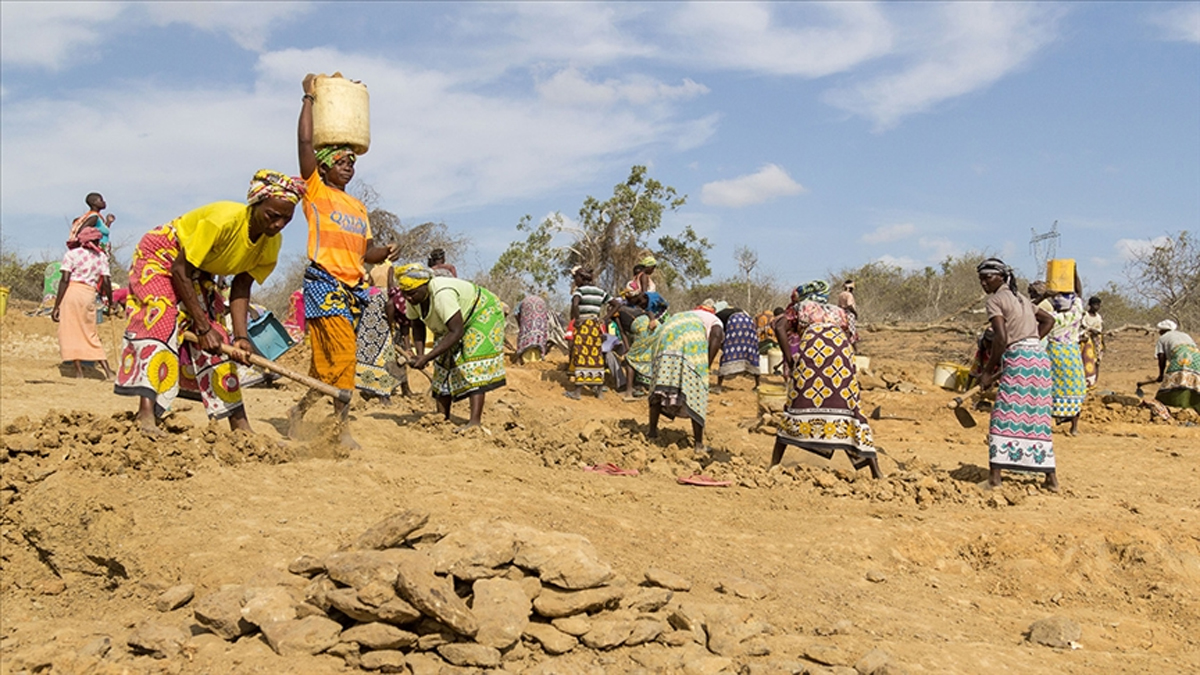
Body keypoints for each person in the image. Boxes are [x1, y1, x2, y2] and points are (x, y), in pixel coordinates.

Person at [114, 170, 304, 435]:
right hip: (163, 254)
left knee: (219, 336)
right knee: (161, 316)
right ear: (256, 203)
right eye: (273, 216)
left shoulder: (271, 244)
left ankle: (239, 424)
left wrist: (241, 338)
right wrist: (201, 327)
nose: (278, 225)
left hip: (198, 270)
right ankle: (146, 412)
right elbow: (179, 270)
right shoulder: (223, 222)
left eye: (286, 219)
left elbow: (241, 288)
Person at [290, 74, 400, 447]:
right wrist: (308, 98)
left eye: (352, 162)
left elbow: (364, 253)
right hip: (325, 284)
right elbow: (305, 143)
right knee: (346, 356)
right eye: (340, 161)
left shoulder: (358, 206)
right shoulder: (316, 192)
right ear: (322, 167)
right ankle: (342, 428)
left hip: (353, 290)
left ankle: (299, 411)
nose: (349, 166)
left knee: (326, 367)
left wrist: (384, 252)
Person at [770, 280, 879, 478]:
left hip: (813, 354)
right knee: (849, 407)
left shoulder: (800, 307)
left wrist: (790, 361)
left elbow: (778, 327)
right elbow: (852, 337)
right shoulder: (838, 311)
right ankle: (876, 472)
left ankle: (773, 465)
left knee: (796, 403)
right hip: (842, 357)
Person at [975, 258, 1058, 491]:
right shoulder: (1021, 299)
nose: (984, 283)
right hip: (1039, 359)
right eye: (981, 279)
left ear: (1001, 277)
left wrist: (987, 372)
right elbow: (1049, 320)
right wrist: (1030, 340)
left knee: (1002, 415)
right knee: (1037, 416)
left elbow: (1000, 339)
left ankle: (995, 479)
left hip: (1019, 359)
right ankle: (1051, 479)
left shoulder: (995, 300)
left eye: (987, 277)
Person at [396, 263, 506, 428]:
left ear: (425, 286)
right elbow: (417, 325)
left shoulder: (442, 294)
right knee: (442, 364)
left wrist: (427, 357)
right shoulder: (413, 299)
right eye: (405, 294)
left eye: (411, 293)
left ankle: (474, 422)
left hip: (481, 313)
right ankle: (442, 418)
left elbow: (456, 331)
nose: (408, 298)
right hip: (454, 324)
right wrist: (421, 355)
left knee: (472, 363)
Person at [52, 227, 114, 379]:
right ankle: (107, 370)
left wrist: (56, 306)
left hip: (72, 293)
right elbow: (106, 281)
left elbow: (64, 280)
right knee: (90, 332)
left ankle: (79, 371)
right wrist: (110, 301)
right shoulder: (101, 257)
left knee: (71, 331)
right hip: (88, 294)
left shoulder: (72, 254)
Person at [647, 312, 710, 451]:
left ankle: (652, 432)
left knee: (659, 388)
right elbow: (714, 339)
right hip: (689, 339)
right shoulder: (714, 324)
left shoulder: (681, 317)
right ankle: (698, 444)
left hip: (665, 339)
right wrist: (705, 368)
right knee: (696, 389)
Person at [1046, 274, 1087, 435]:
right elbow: (1079, 293)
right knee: (1075, 388)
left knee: (1050, 388)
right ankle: (1074, 427)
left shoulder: (1051, 317)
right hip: (1072, 355)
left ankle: (1048, 421)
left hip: (1053, 354)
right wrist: (1074, 273)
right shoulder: (1075, 313)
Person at [356, 265, 402, 403]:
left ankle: (367, 389)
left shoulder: (362, 290)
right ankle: (383, 394)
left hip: (365, 328)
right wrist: (391, 324)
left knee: (366, 356)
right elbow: (390, 300)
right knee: (385, 357)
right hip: (381, 325)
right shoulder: (389, 269)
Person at [565, 268, 610, 400]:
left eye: (576, 278)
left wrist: (577, 319)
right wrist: (605, 318)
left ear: (581, 278)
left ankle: (577, 392)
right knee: (596, 356)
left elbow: (575, 304)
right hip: (595, 327)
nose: (575, 281)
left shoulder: (580, 291)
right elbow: (616, 304)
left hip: (584, 326)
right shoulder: (600, 292)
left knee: (581, 354)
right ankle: (599, 392)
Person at [1153, 320, 1199, 412]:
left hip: (1181, 358)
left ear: (1162, 331)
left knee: (1172, 383)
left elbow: (1161, 357)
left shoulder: (1162, 338)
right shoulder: (1185, 335)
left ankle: (1175, 407)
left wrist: (1161, 375)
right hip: (1197, 358)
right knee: (1195, 383)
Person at [716, 305, 761, 389]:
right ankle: (757, 384)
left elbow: (718, 335)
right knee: (751, 351)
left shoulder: (717, 316)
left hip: (734, 322)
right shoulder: (736, 310)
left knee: (727, 353)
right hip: (748, 321)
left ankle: (718, 386)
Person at [514, 294, 551, 365]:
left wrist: (520, 324)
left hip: (527, 325)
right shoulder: (542, 302)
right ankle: (540, 358)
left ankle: (520, 359)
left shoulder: (522, 302)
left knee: (523, 337)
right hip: (539, 326)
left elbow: (516, 313)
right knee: (539, 338)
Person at [1080, 296, 1104, 388]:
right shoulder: (1085, 315)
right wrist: (1090, 330)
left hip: (1097, 340)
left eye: (1098, 305)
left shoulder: (1098, 317)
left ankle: (1094, 382)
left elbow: (1100, 329)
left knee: (1097, 361)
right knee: (1085, 359)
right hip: (1086, 339)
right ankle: (1085, 381)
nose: (1097, 307)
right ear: (1090, 305)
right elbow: (1083, 326)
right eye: (1095, 305)